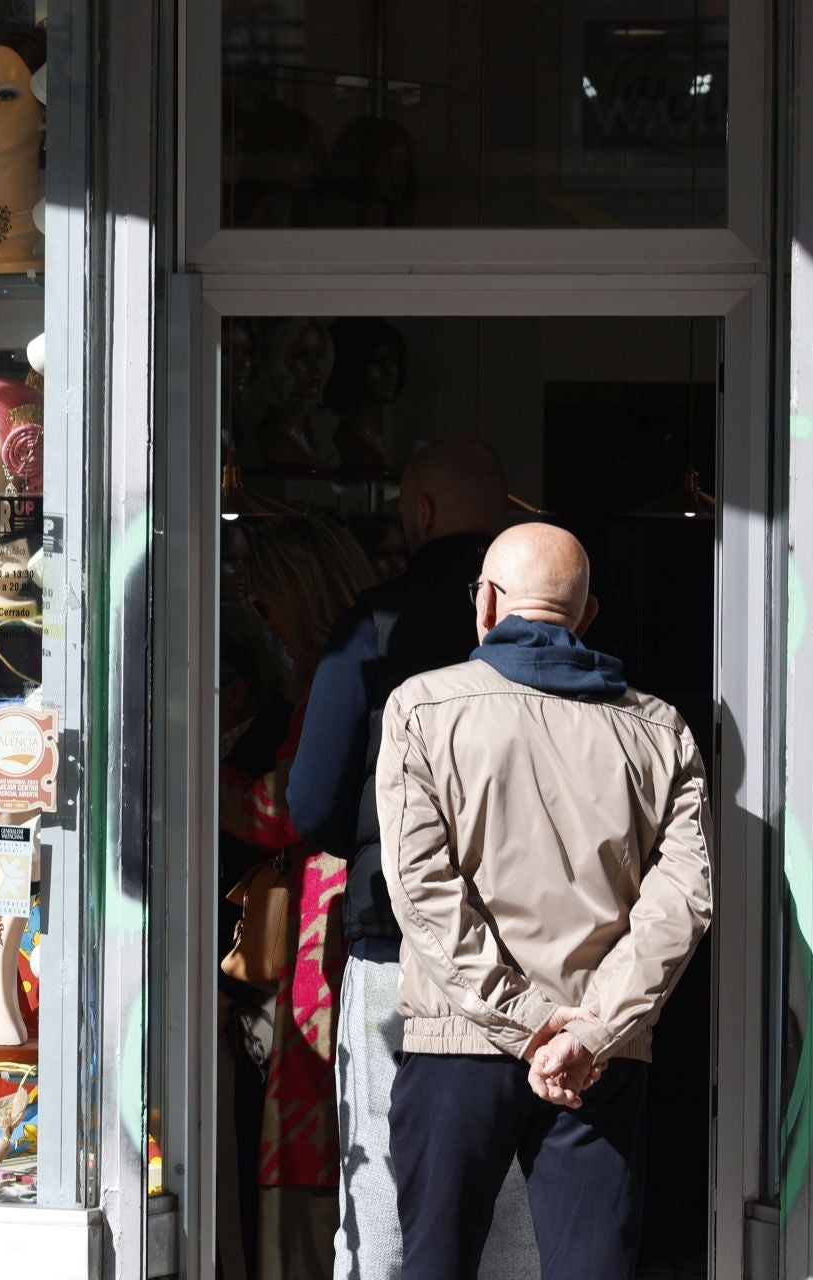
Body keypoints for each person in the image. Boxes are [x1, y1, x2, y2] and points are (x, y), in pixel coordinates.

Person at [376, 523, 714, 1280]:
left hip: (459, 1044)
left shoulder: (422, 709)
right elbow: (682, 902)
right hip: (599, 1059)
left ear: (486, 604)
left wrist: (531, 1026)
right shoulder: (661, 733)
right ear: (586, 614)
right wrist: (587, 1029)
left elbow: (423, 893)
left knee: (436, 1266)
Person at [286, 437, 531, 1280]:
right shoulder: (559, 641)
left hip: (397, 939)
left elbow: (313, 801)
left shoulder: (376, 622)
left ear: (418, 512)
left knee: (384, 1191)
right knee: (509, 1209)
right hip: (533, 953)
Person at [220, 515, 377, 1280]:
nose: (262, 619)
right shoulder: (351, 673)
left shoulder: (330, 683)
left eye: (264, 602)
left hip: (327, 924)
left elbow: (281, 808)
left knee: (313, 1095)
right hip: (333, 917)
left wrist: (201, 775)